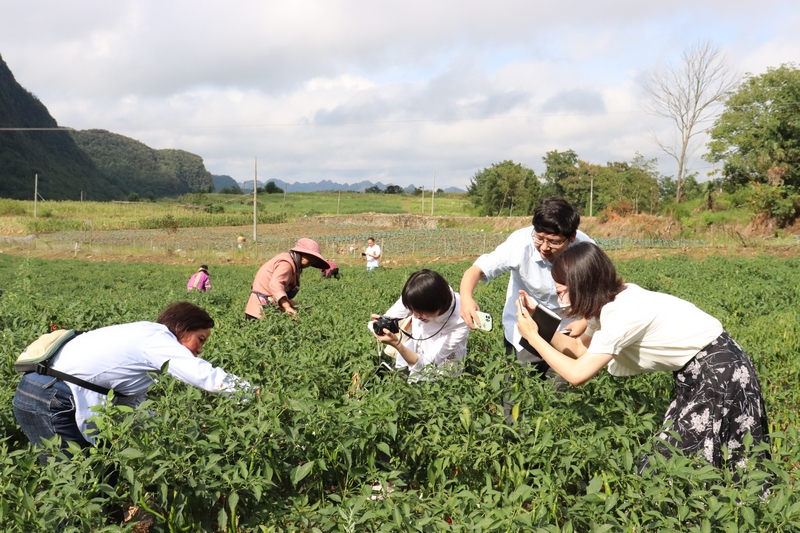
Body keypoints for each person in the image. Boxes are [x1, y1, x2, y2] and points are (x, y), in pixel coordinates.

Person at [515, 242, 770, 470]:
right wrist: (539, 320)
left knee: (668, 464)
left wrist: (535, 339)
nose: (560, 298)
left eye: (561, 291)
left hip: (721, 371)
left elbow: (578, 374)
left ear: (582, 286)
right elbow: (580, 350)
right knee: (694, 457)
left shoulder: (621, 313)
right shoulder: (607, 304)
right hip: (702, 369)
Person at [12, 302, 256, 452]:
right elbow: (202, 374)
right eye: (200, 339)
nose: (199, 349)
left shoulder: (144, 337)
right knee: (73, 477)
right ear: (182, 328)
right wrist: (252, 393)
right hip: (53, 398)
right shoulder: (157, 339)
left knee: (76, 470)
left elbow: (131, 405)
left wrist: (171, 426)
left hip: (35, 391)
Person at [459, 197, 594, 382]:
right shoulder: (519, 244)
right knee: (515, 388)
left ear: (571, 237)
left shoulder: (586, 249)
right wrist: (466, 298)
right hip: (524, 331)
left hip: (568, 332)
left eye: (553, 242)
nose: (544, 247)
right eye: (539, 238)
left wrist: (586, 321)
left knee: (559, 395)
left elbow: (602, 291)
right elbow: (476, 270)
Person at [371, 269, 470, 382]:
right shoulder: (422, 292)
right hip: (413, 352)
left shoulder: (459, 321)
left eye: (420, 312)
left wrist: (397, 344)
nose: (416, 316)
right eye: (411, 310)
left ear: (438, 305)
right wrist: (381, 323)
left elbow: (426, 364)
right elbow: (392, 314)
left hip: (440, 373)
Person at [245, 238, 330, 319]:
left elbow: (283, 295)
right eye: (311, 260)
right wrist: (287, 307)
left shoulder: (290, 262)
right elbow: (275, 285)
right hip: (260, 310)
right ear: (301, 254)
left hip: (264, 307)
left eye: (314, 261)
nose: (311, 263)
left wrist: (301, 307)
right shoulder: (287, 264)